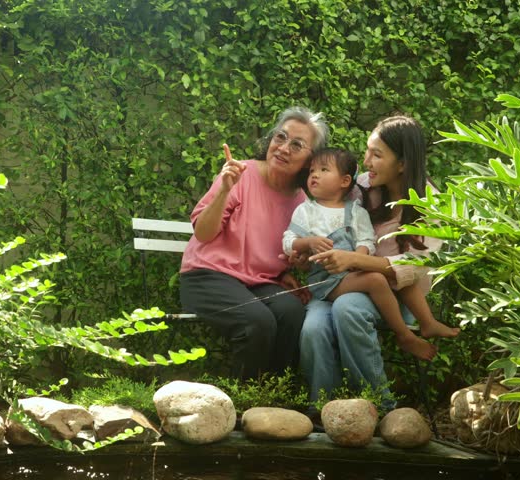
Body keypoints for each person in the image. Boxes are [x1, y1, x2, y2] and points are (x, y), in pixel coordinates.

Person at [299, 114, 459, 410]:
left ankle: (376, 406)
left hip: (395, 297)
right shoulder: (359, 187)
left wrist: (356, 259)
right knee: (313, 328)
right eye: (367, 151)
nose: (367, 161)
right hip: (339, 282)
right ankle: (323, 408)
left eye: (377, 154)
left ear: (403, 164)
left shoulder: (429, 205)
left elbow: (414, 267)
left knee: (349, 310)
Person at [180, 106, 329, 380]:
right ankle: (243, 404)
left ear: (310, 160)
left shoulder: (300, 202)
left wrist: (288, 269)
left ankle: (274, 403)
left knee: (293, 313)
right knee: (257, 322)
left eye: (296, 145)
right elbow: (203, 234)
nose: (283, 148)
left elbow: (279, 246)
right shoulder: (241, 174)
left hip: (256, 284)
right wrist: (225, 189)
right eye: (280, 137)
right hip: (207, 277)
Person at [283, 149, 439, 361]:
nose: (314, 175)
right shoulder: (306, 210)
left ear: (345, 181)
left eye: (323, 170)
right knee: (374, 280)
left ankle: (412, 331)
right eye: (312, 171)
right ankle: (404, 335)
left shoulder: (356, 210)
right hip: (324, 280)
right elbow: (289, 241)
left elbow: (366, 241)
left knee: (382, 279)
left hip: (352, 277)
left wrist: (358, 257)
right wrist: (305, 245)